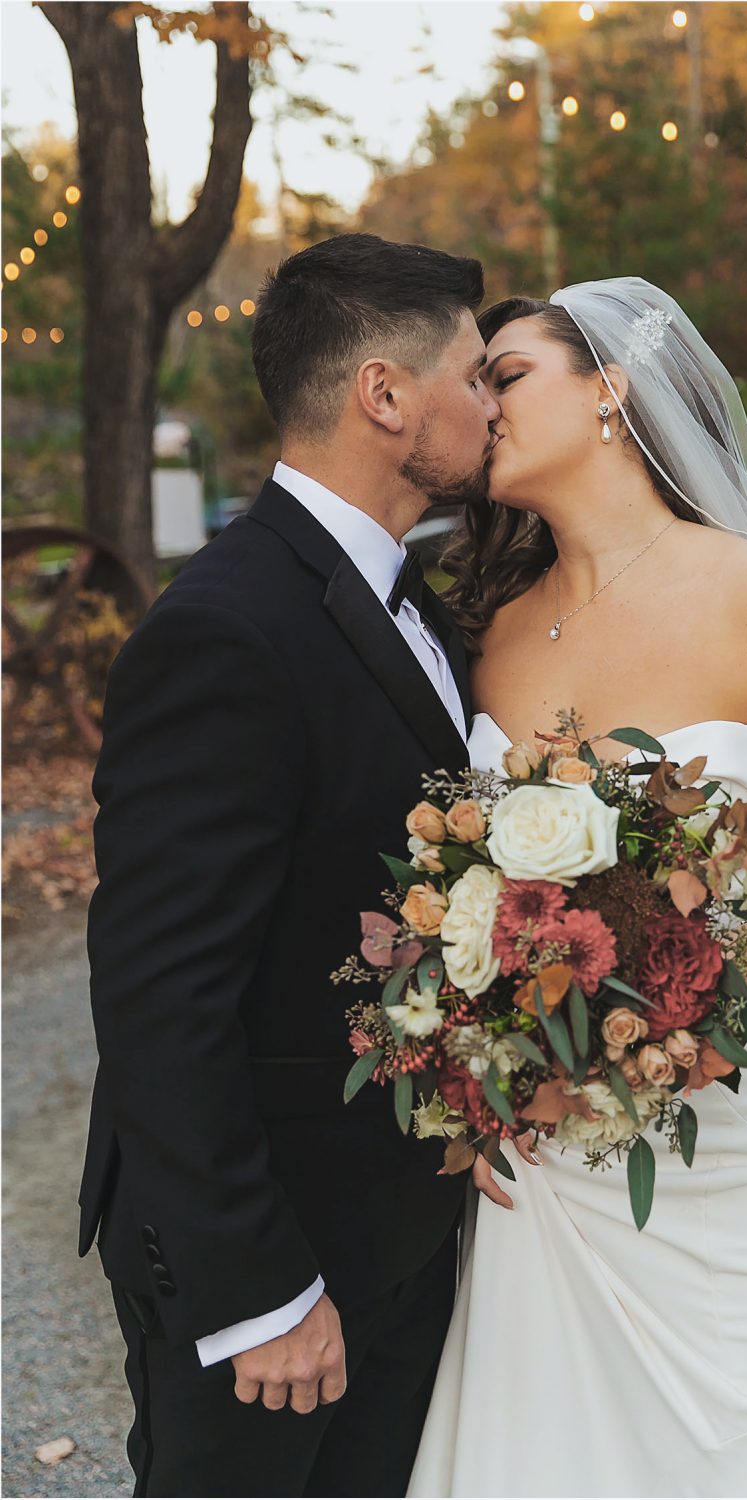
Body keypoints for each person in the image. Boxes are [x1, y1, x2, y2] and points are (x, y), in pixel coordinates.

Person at [407, 279, 747, 1499]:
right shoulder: (493, 633)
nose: (482, 405)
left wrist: (710, 971)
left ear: (610, 389)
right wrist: (479, 1072)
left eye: (506, 374)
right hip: (557, 1149)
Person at [78, 232, 501, 1498]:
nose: (491, 404)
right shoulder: (224, 629)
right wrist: (256, 1291)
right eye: (473, 374)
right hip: (276, 1257)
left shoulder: (416, 601)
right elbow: (160, 995)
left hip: (395, 1224)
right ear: (384, 395)